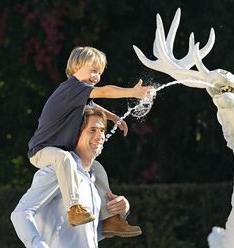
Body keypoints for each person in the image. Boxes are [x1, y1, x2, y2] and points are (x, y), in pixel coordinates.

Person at [28, 46, 152, 226]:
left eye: (100, 73)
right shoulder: (72, 88)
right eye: (94, 71)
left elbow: (94, 106)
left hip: (64, 153)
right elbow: (104, 92)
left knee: (97, 168)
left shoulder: (78, 93)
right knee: (64, 158)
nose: (97, 77)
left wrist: (115, 118)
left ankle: (110, 219)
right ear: (77, 66)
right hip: (41, 151)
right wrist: (132, 92)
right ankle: (74, 208)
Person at [11, 107, 141, 248]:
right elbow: (20, 214)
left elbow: (89, 235)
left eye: (102, 130)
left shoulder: (92, 179)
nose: (99, 136)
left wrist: (123, 209)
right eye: (92, 130)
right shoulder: (57, 170)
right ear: (76, 134)